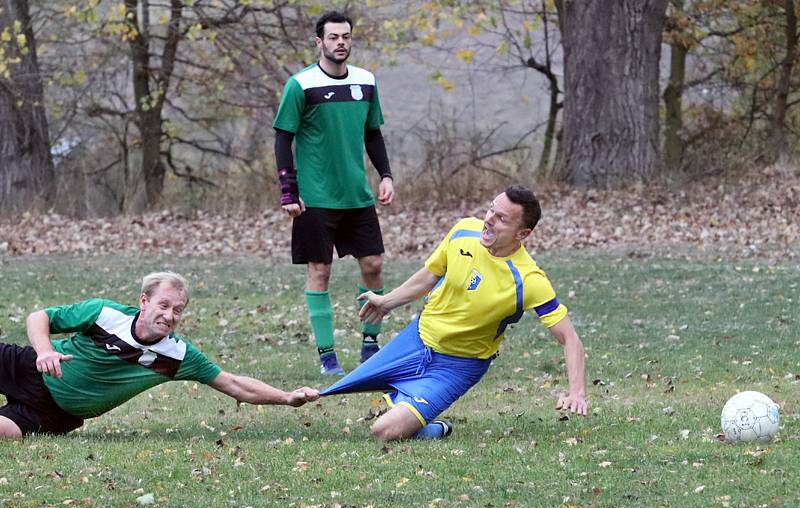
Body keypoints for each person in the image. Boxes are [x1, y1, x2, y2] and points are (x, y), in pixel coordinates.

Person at [320, 186, 587, 441]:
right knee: (324, 392)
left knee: (384, 431)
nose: (489, 220)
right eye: (491, 210)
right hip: (415, 340)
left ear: (522, 234)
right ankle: (406, 406)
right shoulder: (463, 231)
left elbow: (570, 339)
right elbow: (429, 275)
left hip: (456, 367)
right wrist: (387, 301)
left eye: (502, 219)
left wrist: (576, 393)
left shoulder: (528, 280)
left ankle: (436, 428)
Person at [0, 272, 319, 439]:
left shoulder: (177, 356)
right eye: (163, 306)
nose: (169, 315)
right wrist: (45, 351)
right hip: (28, 368)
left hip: (54, 414)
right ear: (144, 301)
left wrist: (287, 397)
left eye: (177, 310)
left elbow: (235, 385)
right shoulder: (104, 313)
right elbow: (39, 316)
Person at [272, 10, 395, 376]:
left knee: (373, 265)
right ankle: (328, 358)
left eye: (346, 36)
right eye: (333, 37)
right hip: (316, 198)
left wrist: (385, 175)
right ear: (319, 42)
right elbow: (283, 137)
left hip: (357, 196)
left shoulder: (366, 81)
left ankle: (370, 346)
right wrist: (288, 190)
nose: (340, 43)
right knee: (319, 271)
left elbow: (373, 133)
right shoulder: (301, 84)